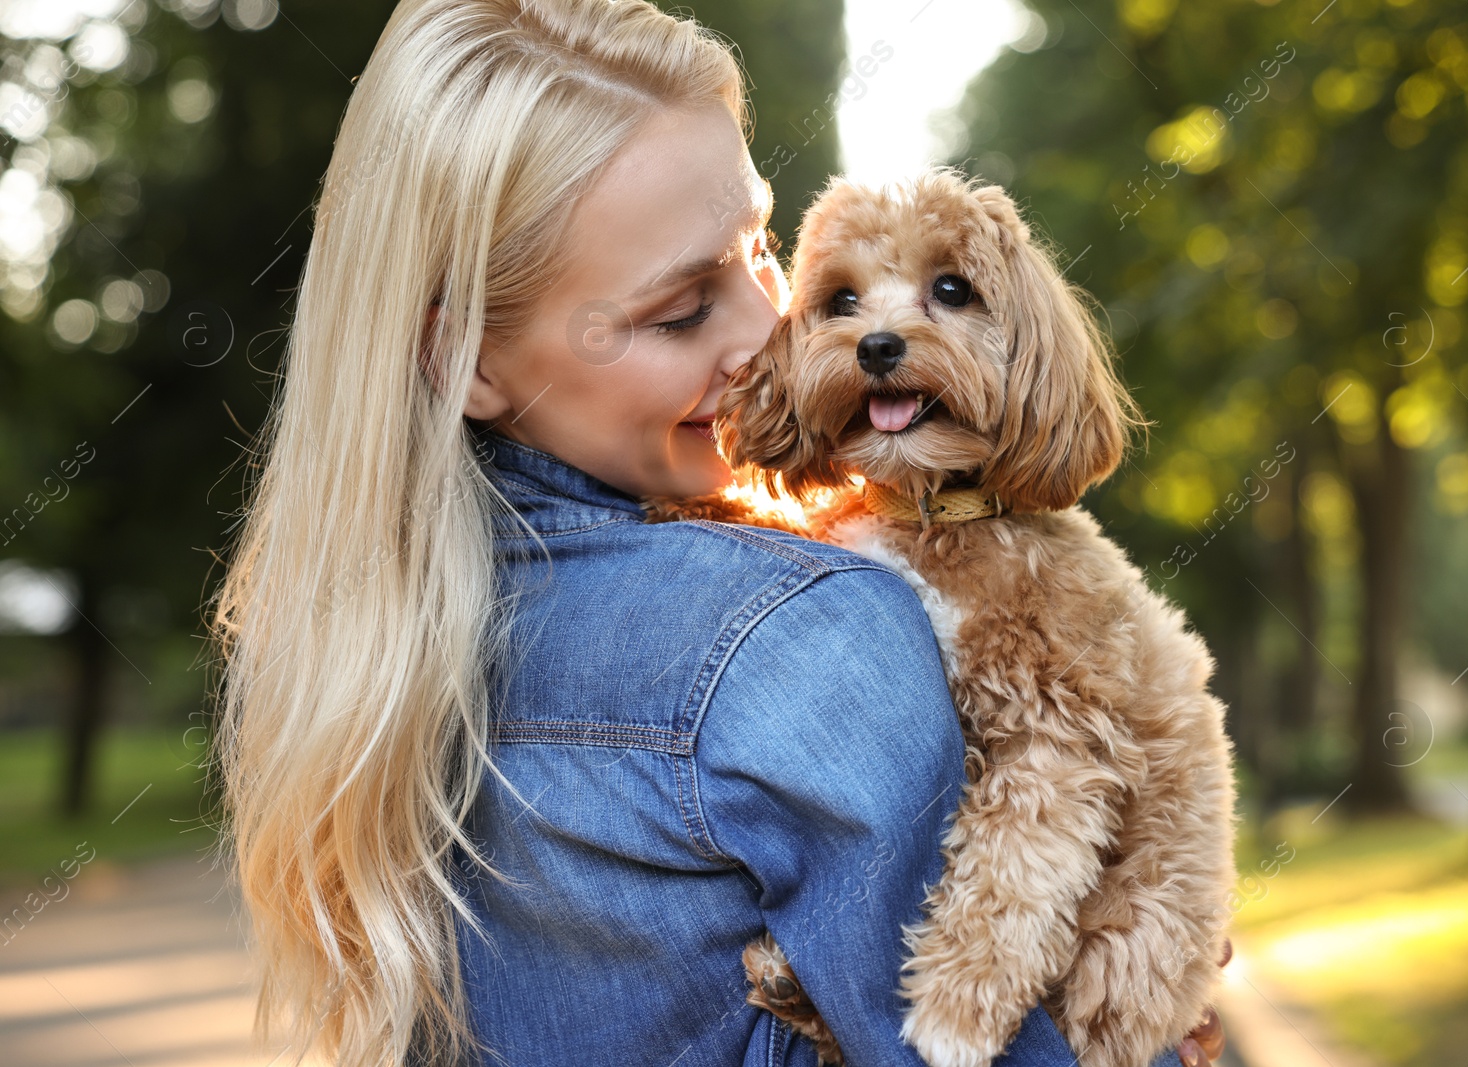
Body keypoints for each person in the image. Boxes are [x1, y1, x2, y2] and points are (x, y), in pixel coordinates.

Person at [211, 2, 1228, 1065]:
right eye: (681, 307)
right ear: (465, 356)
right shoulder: (806, 637)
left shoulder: (377, 656)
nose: (766, 332)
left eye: (759, 249)